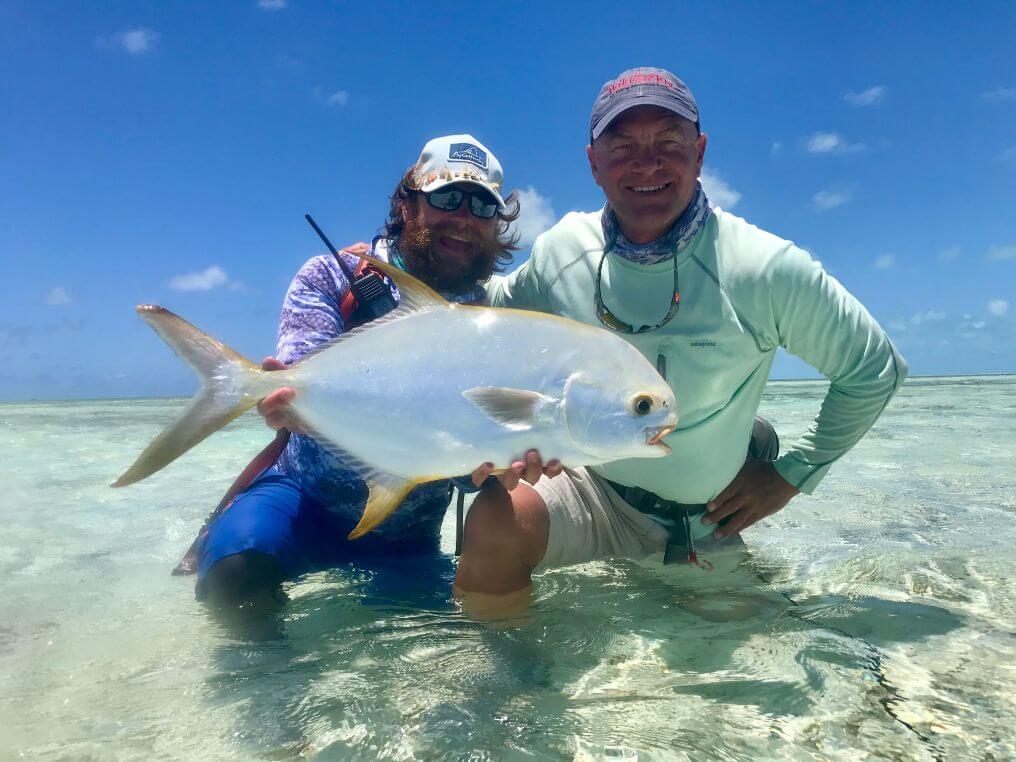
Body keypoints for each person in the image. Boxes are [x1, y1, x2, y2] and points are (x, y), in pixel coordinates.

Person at [454, 68, 908, 597]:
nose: (647, 163)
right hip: (594, 494)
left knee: (747, 669)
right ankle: (510, 679)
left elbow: (874, 369)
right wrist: (388, 266)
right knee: (495, 519)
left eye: (668, 141)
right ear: (593, 163)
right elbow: (483, 316)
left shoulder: (763, 268)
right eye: (622, 146)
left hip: (706, 521)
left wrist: (792, 475)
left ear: (700, 151)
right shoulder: (561, 251)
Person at [188, 134, 558, 611]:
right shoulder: (330, 276)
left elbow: (465, 463)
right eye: (447, 198)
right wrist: (287, 401)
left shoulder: (486, 318)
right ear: (409, 206)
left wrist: (495, 465)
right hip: (302, 501)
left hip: (409, 535)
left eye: (482, 207)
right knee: (232, 580)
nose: (464, 219)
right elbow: (301, 381)